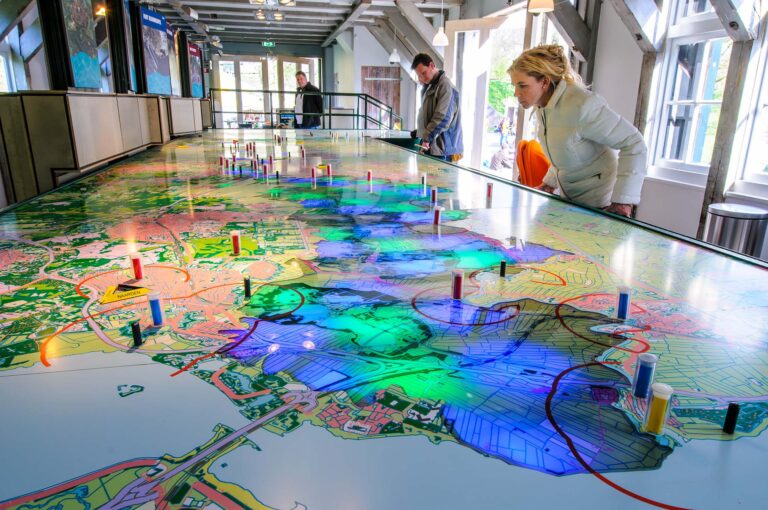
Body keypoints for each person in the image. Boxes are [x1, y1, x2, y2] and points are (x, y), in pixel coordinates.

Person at [507, 45, 647, 217]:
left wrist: (623, 202)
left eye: (522, 85)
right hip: (572, 201)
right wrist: (549, 183)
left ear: (544, 81)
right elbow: (565, 146)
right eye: (515, 86)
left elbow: (634, 142)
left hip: (603, 205)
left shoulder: (583, 105)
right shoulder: (543, 106)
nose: (516, 93)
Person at [410, 53, 463, 162]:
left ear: (432, 66)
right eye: (419, 75)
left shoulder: (445, 86)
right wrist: (420, 131)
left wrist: (426, 137)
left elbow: (442, 119)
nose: (422, 78)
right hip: (432, 145)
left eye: (423, 73)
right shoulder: (430, 86)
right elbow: (429, 114)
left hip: (442, 149)